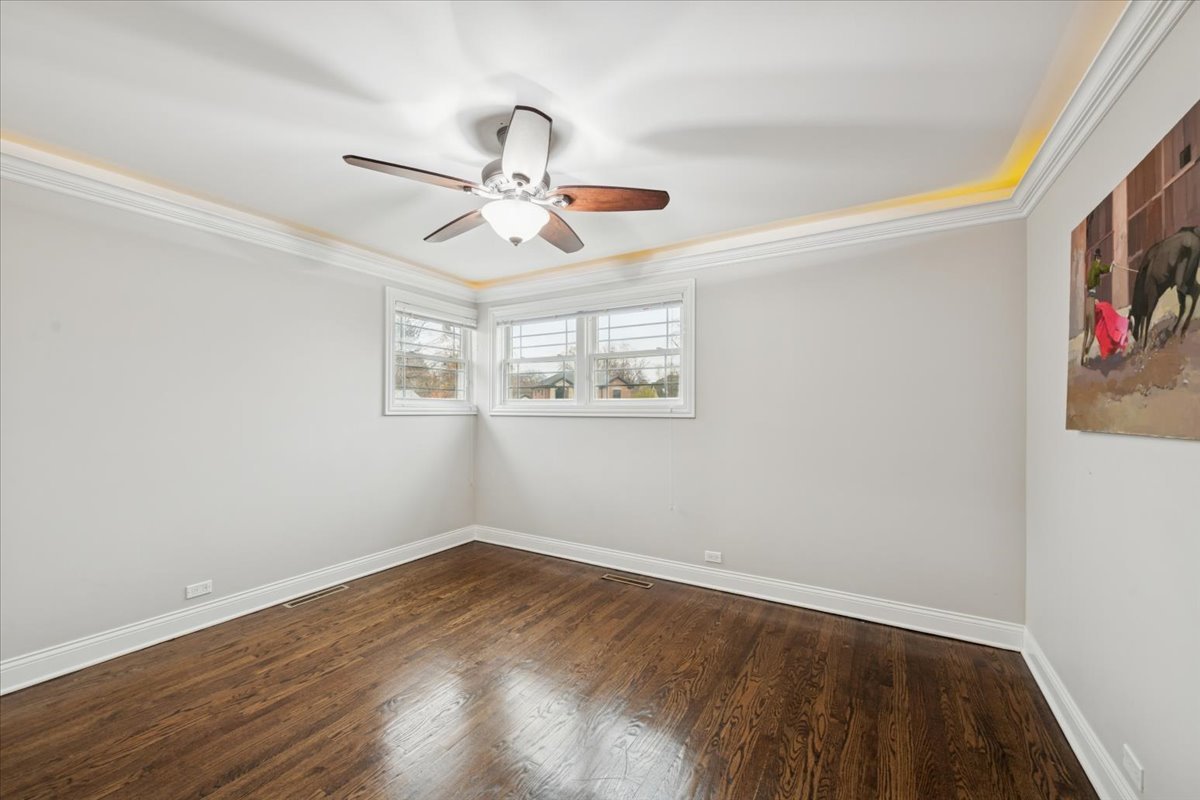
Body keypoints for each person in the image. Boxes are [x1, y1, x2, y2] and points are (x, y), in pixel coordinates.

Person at [1081, 247, 1113, 364]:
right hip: (1091, 302)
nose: (1099, 260)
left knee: (1086, 333)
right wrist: (1111, 266)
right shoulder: (1096, 266)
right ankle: (1086, 352)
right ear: (1098, 258)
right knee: (1092, 333)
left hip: (1087, 301)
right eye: (1099, 258)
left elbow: (1090, 288)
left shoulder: (1091, 269)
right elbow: (1103, 269)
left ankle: (1082, 358)